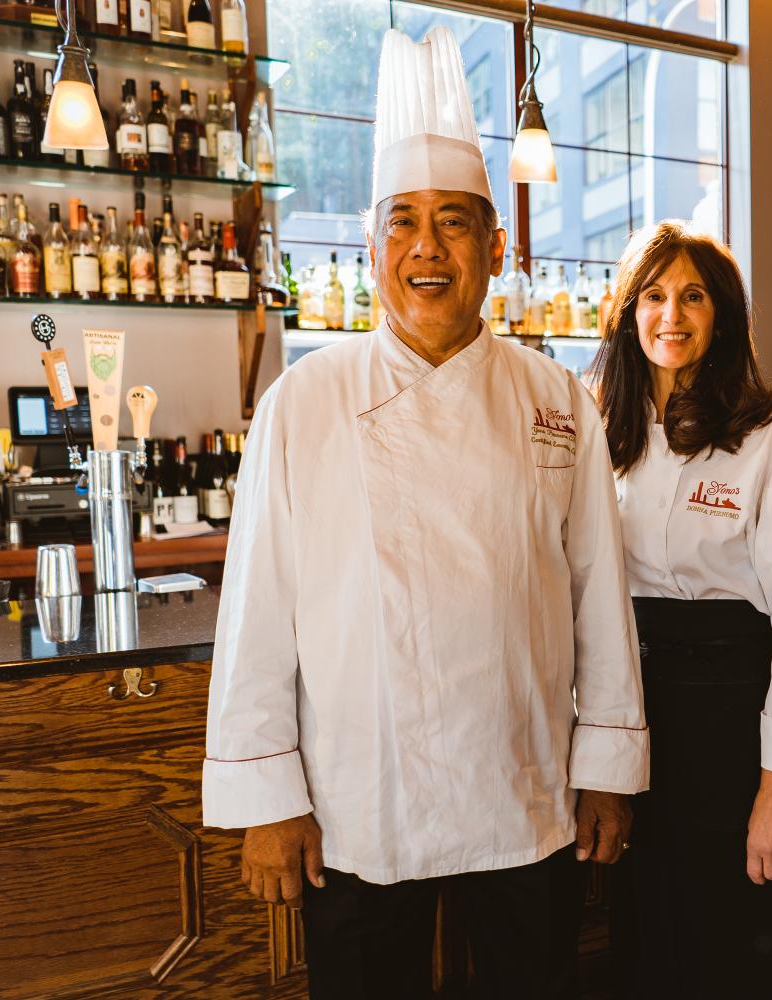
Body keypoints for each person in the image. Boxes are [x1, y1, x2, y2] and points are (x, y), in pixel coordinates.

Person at [202, 28, 648, 1000]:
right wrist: (268, 801)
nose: (427, 248)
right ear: (371, 248)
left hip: (524, 790)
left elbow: (599, 597)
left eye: (454, 223)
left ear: (496, 247)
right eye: (402, 222)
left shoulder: (558, 397)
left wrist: (609, 762)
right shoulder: (305, 402)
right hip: (361, 801)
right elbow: (258, 614)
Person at [595, 221, 772, 999]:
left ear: (723, 315)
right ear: (627, 313)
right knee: (651, 934)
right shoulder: (598, 433)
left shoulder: (766, 440)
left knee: (742, 940)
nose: (671, 314)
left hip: (735, 720)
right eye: (654, 295)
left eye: (693, 297)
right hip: (633, 715)